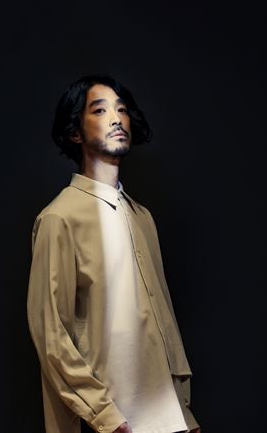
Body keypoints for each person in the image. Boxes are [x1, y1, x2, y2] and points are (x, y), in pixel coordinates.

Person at [27, 75, 201, 433]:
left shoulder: (142, 218)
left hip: (167, 419)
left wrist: (183, 411)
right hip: (105, 423)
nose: (116, 119)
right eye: (100, 110)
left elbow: (163, 322)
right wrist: (107, 417)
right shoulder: (59, 218)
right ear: (75, 132)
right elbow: (51, 335)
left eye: (121, 110)